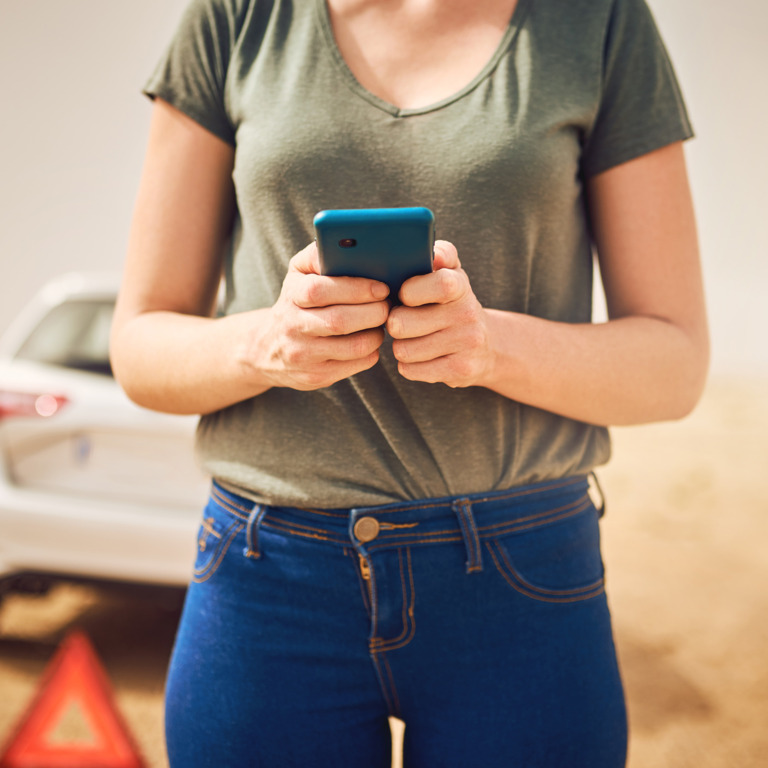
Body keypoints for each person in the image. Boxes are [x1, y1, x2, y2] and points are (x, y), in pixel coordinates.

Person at [110, 0, 708, 765]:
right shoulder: (237, 15)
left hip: (519, 584)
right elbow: (140, 346)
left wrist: (491, 347)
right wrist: (269, 342)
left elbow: (675, 363)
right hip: (270, 583)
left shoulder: (599, 20)